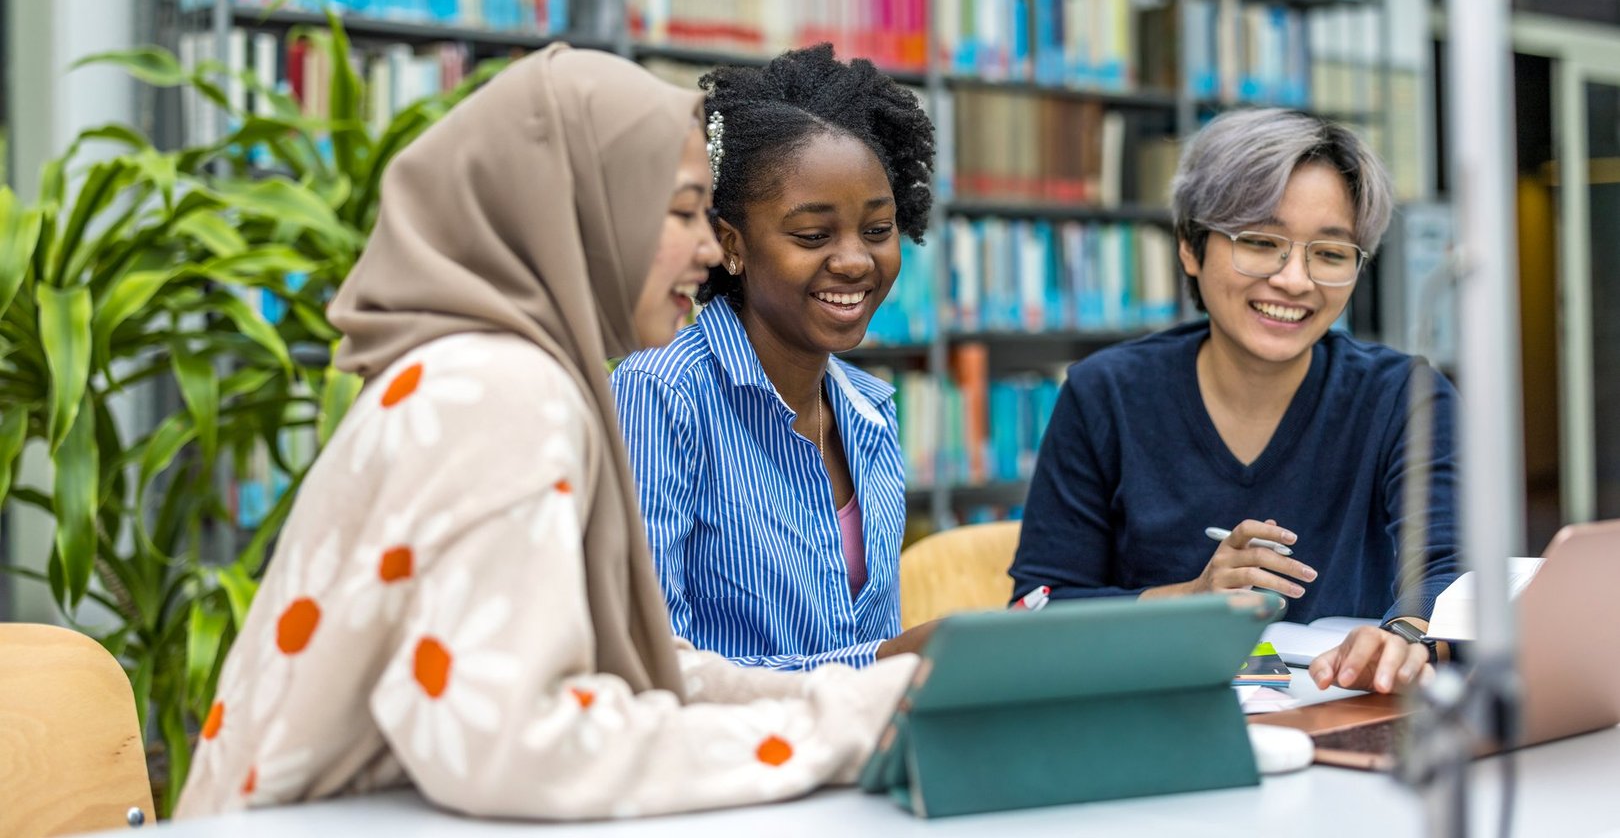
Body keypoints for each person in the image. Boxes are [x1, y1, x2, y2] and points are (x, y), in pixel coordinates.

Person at [175, 45, 917, 821]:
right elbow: (518, 747)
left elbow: (628, 675)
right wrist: (839, 724)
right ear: (575, 210)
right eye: (678, 210)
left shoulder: (494, 373)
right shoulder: (501, 391)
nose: (708, 249)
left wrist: (856, 697)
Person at [1008, 108, 1460, 696]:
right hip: (1157, 717)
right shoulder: (1106, 393)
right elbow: (1037, 605)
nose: (1295, 280)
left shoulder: (1404, 396)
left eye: (1329, 253)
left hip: (1339, 711)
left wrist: (1404, 635)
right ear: (1191, 249)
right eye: (1261, 242)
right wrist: (1191, 599)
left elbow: (1453, 573)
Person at [612, 43, 937, 670]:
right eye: (812, 236)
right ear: (731, 244)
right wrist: (883, 662)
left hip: (853, 759)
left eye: (877, 229)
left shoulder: (870, 411)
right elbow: (650, 665)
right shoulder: (660, 396)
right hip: (726, 761)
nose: (854, 261)